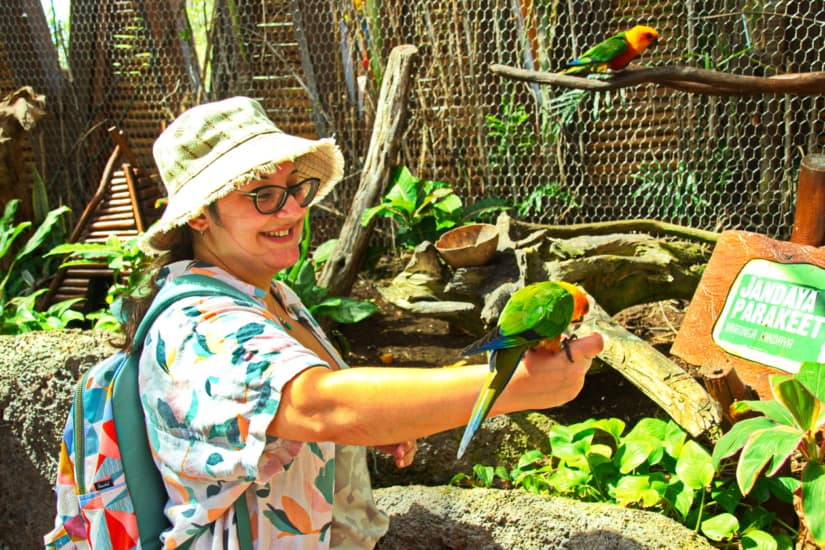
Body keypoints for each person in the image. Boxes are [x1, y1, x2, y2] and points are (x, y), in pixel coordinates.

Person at [125, 96, 603, 549]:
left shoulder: (273, 294)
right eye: (262, 195)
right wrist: (515, 385)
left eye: (294, 187)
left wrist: (382, 418)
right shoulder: (196, 322)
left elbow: (294, 410)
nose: (292, 210)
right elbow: (318, 405)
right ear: (199, 218)